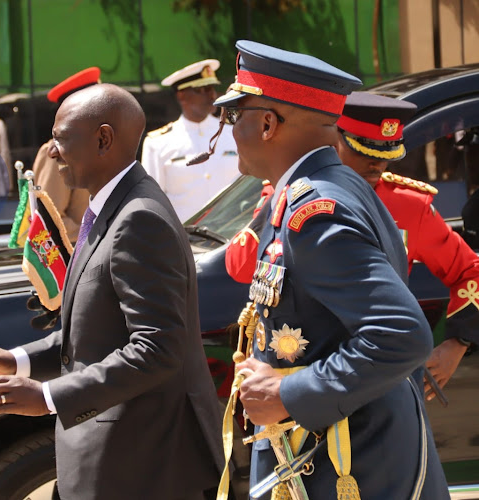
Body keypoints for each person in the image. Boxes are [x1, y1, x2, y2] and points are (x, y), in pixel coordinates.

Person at [0, 83, 223, 499]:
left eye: (60, 138)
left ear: (103, 139)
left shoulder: (139, 218)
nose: (52, 151)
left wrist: (47, 396)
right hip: (114, 457)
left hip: (143, 466)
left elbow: (157, 348)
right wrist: (15, 360)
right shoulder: (110, 208)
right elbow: (95, 331)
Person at [213, 40, 449, 499]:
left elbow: (401, 334)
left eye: (232, 115)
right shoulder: (321, 188)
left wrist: (288, 394)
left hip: (352, 462)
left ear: (266, 123)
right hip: (332, 450)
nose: (228, 130)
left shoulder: (318, 209)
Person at [226, 91, 479, 401]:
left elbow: (470, 271)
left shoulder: (409, 206)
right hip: (303, 374)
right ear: (334, 141)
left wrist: (457, 343)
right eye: (363, 151)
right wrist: (277, 198)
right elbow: (239, 266)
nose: (376, 163)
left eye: (386, 152)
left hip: (378, 379)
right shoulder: (291, 194)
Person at [141, 59, 240, 221]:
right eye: (203, 89)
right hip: (184, 238)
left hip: (231, 233)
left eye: (213, 88)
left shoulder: (233, 133)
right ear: (182, 95)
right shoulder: (157, 143)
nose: (212, 95)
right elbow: (152, 201)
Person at [32, 67, 98, 240]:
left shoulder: (96, 147)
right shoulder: (58, 153)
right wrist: (98, 237)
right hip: (77, 257)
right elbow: (49, 218)